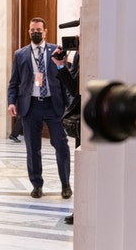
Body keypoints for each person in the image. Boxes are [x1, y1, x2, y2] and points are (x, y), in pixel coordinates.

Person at [7, 17, 71, 199]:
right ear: (28, 31)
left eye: (38, 29)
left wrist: (70, 102)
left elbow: (65, 77)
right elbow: (14, 82)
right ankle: (37, 184)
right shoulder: (20, 54)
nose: (35, 32)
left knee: (61, 145)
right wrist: (11, 102)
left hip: (53, 105)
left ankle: (65, 184)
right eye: (32, 29)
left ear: (45, 31)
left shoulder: (56, 50)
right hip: (30, 106)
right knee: (32, 148)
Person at [52, 47, 80, 224]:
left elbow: (76, 87)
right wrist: (61, 66)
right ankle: (81, 209)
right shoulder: (79, 54)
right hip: (81, 117)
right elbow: (75, 86)